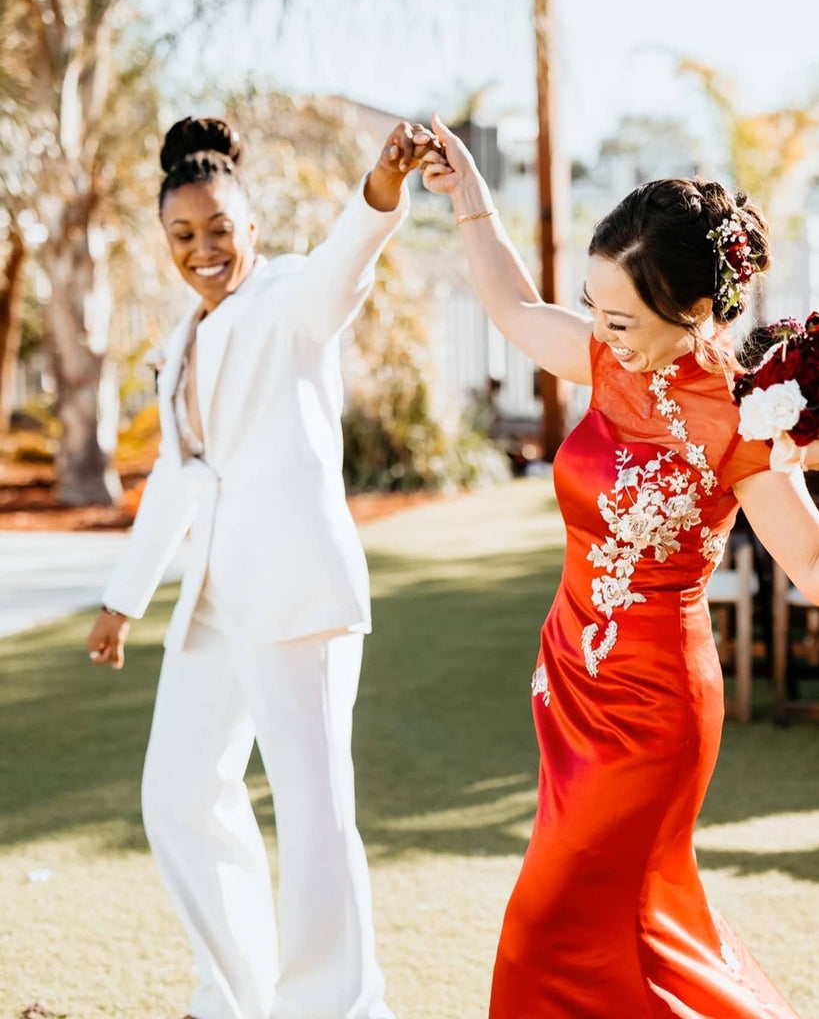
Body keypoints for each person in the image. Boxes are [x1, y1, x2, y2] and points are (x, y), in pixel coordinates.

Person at [422, 114, 819, 1018]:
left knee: (544, 925)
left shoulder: (744, 418)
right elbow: (515, 312)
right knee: (623, 936)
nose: (599, 330)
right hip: (567, 682)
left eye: (620, 317)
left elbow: (809, 559)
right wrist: (472, 200)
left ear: (696, 311)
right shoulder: (607, 362)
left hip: (653, 713)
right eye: (594, 309)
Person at [85, 115, 443, 1019]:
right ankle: (236, 993)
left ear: (251, 228)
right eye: (182, 234)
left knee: (315, 815)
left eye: (219, 230)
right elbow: (180, 472)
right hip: (213, 598)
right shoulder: (187, 333)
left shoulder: (287, 297)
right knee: (176, 792)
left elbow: (340, 268)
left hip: (297, 589)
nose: (202, 249)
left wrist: (382, 186)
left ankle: (338, 1008)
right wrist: (122, 599)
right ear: (165, 238)